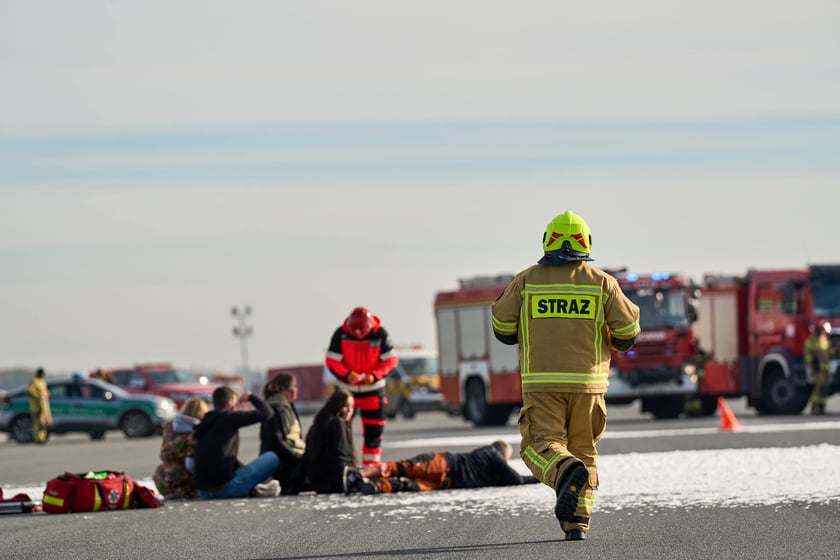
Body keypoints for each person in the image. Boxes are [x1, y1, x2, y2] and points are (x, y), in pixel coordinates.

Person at [491, 210, 640, 542]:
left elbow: (502, 326)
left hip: (542, 383)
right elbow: (628, 331)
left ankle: (563, 472)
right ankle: (577, 522)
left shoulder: (526, 280)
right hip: (589, 386)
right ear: (586, 242)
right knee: (583, 451)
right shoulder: (603, 283)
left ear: (548, 241)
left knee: (538, 446)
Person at [325, 306, 399, 466]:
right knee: (341, 431)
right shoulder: (341, 334)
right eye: (355, 332)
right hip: (347, 392)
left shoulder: (380, 334)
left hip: (373, 391)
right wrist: (347, 375)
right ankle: (344, 466)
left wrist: (374, 376)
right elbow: (332, 360)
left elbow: (390, 360)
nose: (358, 336)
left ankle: (370, 468)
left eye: (362, 332)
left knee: (374, 432)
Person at [348, 440, 539, 494]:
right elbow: (515, 480)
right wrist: (539, 478)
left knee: (405, 484)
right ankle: (359, 473)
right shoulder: (493, 454)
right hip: (443, 464)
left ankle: (369, 486)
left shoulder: (487, 462)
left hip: (446, 480)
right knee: (403, 468)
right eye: (506, 458)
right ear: (501, 452)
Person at [193, 386, 281, 499]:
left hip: (203, 492)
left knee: (235, 465)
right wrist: (251, 397)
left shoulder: (206, 421)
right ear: (230, 404)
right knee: (272, 457)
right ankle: (255, 487)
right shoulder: (229, 417)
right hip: (226, 488)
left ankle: (255, 488)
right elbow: (267, 412)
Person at [298, 389, 357, 494]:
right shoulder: (338, 424)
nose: (349, 410)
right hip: (334, 482)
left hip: (318, 482)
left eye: (352, 407)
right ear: (337, 405)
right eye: (346, 406)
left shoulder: (317, 425)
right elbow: (340, 458)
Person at [152, 397, 209, 499]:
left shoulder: (169, 427)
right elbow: (190, 465)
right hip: (183, 482)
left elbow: (162, 454)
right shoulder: (195, 432)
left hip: (163, 480)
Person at [259, 372, 307, 493]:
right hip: (284, 464)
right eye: (294, 386)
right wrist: (299, 458)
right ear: (284, 390)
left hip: (293, 457)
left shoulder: (287, 407)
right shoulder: (276, 408)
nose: (296, 390)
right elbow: (277, 442)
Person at [804, 320, 833, 415]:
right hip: (817, 368)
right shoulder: (812, 340)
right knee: (818, 388)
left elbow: (828, 351)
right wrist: (812, 364)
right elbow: (808, 352)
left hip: (825, 368)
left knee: (825, 388)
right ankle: (814, 407)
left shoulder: (825, 339)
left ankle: (821, 408)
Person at [26, 368, 51, 444]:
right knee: (37, 423)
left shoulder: (43, 382)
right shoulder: (34, 381)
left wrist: (47, 394)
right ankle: (37, 439)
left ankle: (42, 438)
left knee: (44, 423)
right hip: (36, 406)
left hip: (44, 406)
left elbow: (45, 392)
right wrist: (38, 396)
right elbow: (30, 391)